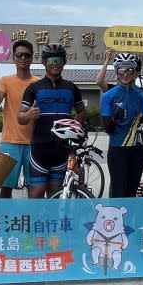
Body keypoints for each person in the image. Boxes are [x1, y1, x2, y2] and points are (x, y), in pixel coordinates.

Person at [19, 44, 86, 199]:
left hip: (62, 149)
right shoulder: (33, 88)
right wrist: (28, 114)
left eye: (58, 59)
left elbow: (81, 111)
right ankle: (36, 224)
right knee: (36, 193)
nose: (55, 63)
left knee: (56, 194)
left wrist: (76, 127)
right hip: (39, 148)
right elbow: (20, 119)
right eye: (51, 60)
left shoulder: (72, 88)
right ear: (44, 62)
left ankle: (51, 223)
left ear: (64, 62)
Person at [0, 40, 40, 198]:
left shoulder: (39, 83)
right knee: (6, 188)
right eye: (19, 55)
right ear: (14, 58)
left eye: (27, 55)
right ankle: (4, 220)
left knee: (34, 188)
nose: (23, 58)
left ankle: (33, 220)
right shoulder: (5, 80)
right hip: (10, 143)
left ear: (32, 58)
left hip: (33, 144)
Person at [101, 54, 143, 197]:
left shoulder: (142, 95)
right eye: (122, 70)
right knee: (119, 190)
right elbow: (108, 128)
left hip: (137, 149)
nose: (126, 74)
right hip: (117, 148)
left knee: (132, 190)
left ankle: (131, 220)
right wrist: (114, 118)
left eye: (129, 70)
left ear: (135, 71)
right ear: (116, 72)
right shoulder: (108, 96)